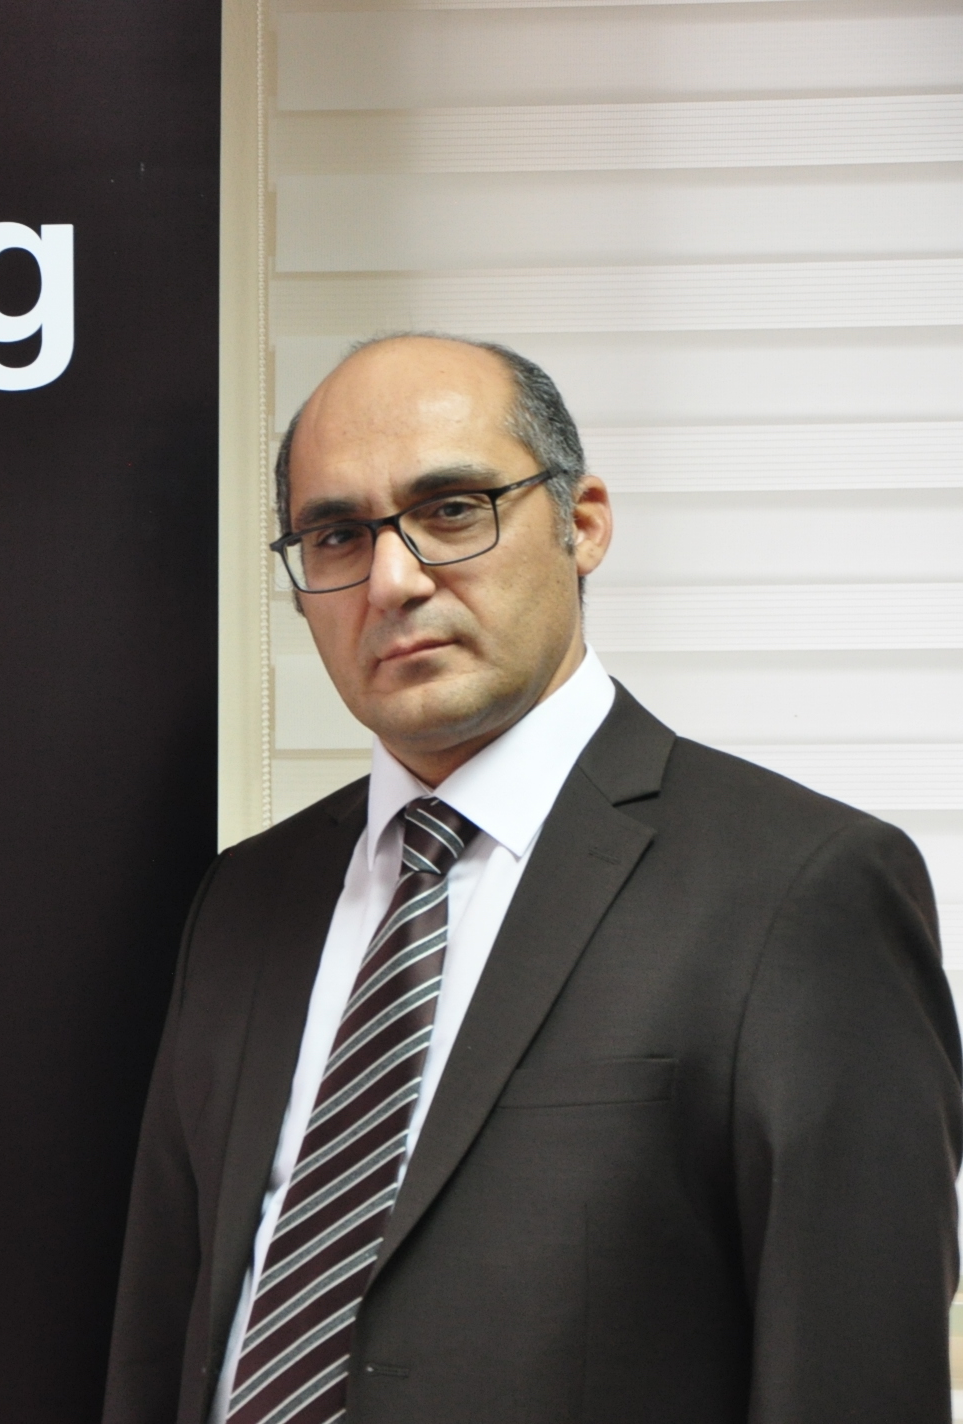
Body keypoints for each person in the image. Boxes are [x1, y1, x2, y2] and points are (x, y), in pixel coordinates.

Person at [103, 334, 962, 1424]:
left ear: (582, 521)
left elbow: (853, 1381)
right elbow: (160, 1342)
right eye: (337, 535)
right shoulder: (243, 901)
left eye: (452, 510)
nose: (393, 580)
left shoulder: (801, 891)